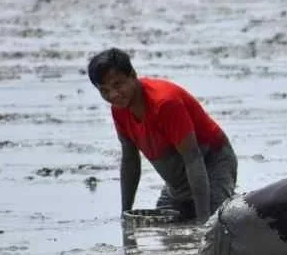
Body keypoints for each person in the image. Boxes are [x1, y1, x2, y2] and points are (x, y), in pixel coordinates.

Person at [88, 48, 237, 223]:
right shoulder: (119, 110)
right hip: (177, 180)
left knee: (214, 226)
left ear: (133, 75)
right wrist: (125, 213)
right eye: (104, 91)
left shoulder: (165, 103)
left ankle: (230, 205)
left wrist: (204, 219)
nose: (113, 95)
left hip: (211, 163)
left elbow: (193, 158)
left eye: (118, 85)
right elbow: (130, 160)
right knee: (163, 229)